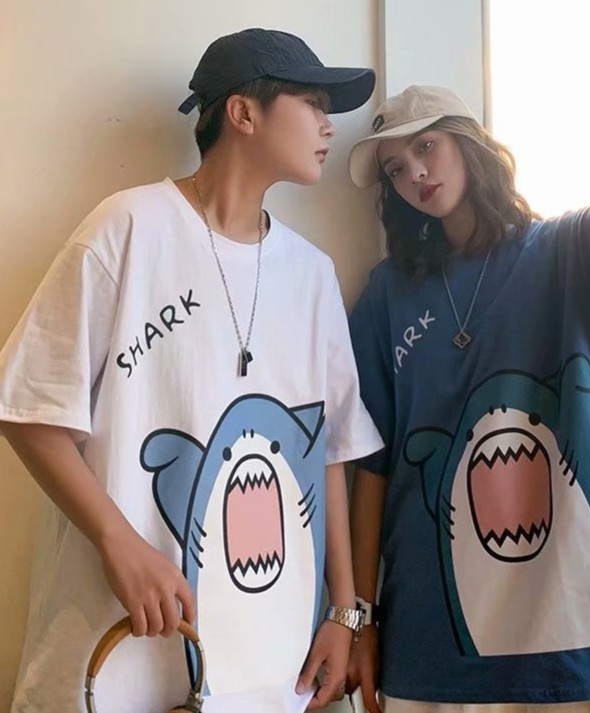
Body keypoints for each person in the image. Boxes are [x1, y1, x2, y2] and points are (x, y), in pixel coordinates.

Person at [0, 28, 383, 713]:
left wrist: (342, 611)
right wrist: (118, 541)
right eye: (313, 103)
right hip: (113, 653)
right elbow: (28, 409)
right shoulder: (127, 228)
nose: (330, 125)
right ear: (243, 112)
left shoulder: (312, 274)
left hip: (267, 666)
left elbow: (327, 450)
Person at [346, 84, 590, 713]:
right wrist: (360, 619)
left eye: (426, 147)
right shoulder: (387, 296)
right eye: (395, 169)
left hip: (578, 635)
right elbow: (372, 468)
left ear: (470, 143)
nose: (415, 175)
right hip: (437, 639)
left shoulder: (566, 255)